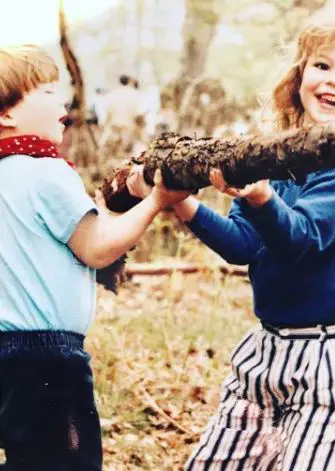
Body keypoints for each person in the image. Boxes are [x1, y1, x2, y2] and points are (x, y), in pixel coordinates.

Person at [127, 16, 335, 470]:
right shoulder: (271, 158)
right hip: (269, 349)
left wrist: (259, 194)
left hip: (333, 359)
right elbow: (242, 246)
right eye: (322, 65)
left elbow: (301, 239)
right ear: (299, 78)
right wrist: (181, 205)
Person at [0, 45, 187, 471]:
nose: (61, 100)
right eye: (47, 92)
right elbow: (97, 247)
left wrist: (103, 206)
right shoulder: (47, 171)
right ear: (6, 114)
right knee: (64, 463)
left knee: (27, 454)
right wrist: (156, 200)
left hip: (6, 350)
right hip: (47, 355)